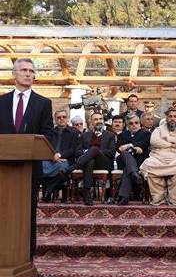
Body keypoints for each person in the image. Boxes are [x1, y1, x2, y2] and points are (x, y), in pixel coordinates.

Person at [0, 58, 53, 259]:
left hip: (29, 169)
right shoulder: (1, 101)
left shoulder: (43, 103)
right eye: (23, 70)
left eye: (31, 71)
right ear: (14, 74)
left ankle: (26, 257)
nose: (28, 74)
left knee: (27, 212)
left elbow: (48, 134)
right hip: (3, 168)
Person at [140, 107, 176, 206]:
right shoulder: (158, 129)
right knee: (148, 164)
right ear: (166, 118)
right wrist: (171, 144)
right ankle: (158, 197)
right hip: (158, 157)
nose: (172, 119)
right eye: (170, 116)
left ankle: (172, 198)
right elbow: (154, 141)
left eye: (175, 116)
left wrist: (166, 138)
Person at [65, 112, 117, 205]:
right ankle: (87, 193)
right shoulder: (85, 135)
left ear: (103, 121)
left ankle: (73, 167)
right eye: (96, 119)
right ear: (91, 122)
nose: (99, 121)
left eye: (100, 119)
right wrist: (89, 153)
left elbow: (112, 152)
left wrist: (96, 152)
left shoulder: (110, 135)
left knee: (94, 149)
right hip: (87, 162)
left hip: (103, 163)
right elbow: (78, 152)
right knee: (90, 160)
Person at [41, 109, 83, 201]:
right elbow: (45, 146)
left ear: (67, 118)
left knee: (63, 169)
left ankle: (49, 190)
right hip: (50, 158)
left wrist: (59, 155)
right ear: (55, 120)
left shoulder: (74, 132)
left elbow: (73, 149)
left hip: (66, 159)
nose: (61, 119)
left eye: (64, 117)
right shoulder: (50, 132)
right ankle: (49, 190)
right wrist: (52, 156)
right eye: (59, 117)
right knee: (40, 167)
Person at [114, 114, 150, 205]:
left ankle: (123, 197)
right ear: (127, 125)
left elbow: (144, 144)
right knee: (125, 154)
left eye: (136, 123)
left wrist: (129, 145)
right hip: (123, 160)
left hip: (139, 161)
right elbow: (119, 148)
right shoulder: (122, 135)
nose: (134, 125)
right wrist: (134, 148)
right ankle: (134, 173)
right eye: (131, 123)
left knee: (128, 169)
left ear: (140, 123)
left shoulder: (146, 134)